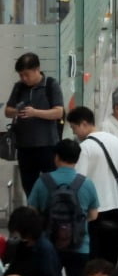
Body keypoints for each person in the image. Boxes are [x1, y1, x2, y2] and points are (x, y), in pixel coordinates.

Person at [26, 139, 99, 276]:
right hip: (79, 244)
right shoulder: (86, 183)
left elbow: (31, 211)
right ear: (77, 159)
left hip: (49, 243)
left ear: (56, 157)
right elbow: (94, 215)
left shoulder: (43, 181)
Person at [68, 106, 118, 265]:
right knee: (112, 254)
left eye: (74, 127)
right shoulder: (114, 139)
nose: (74, 133)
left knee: (96, 257)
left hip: (96, 210)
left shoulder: (85, 148)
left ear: (83, 124)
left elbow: (79, 180)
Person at [5, 53, 66, 196]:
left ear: (37, 69)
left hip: (47, 146)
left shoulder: (51, 85)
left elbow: (58, 112)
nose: (24, 79)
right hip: (25, 148)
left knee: (53, 187)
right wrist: (17, 111)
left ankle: (52, 215)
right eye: (21, 75)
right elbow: (7, 111)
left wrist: (35, 113)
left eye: (27, 74)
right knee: (29, 188)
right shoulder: (19, 87)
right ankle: (34, 215)